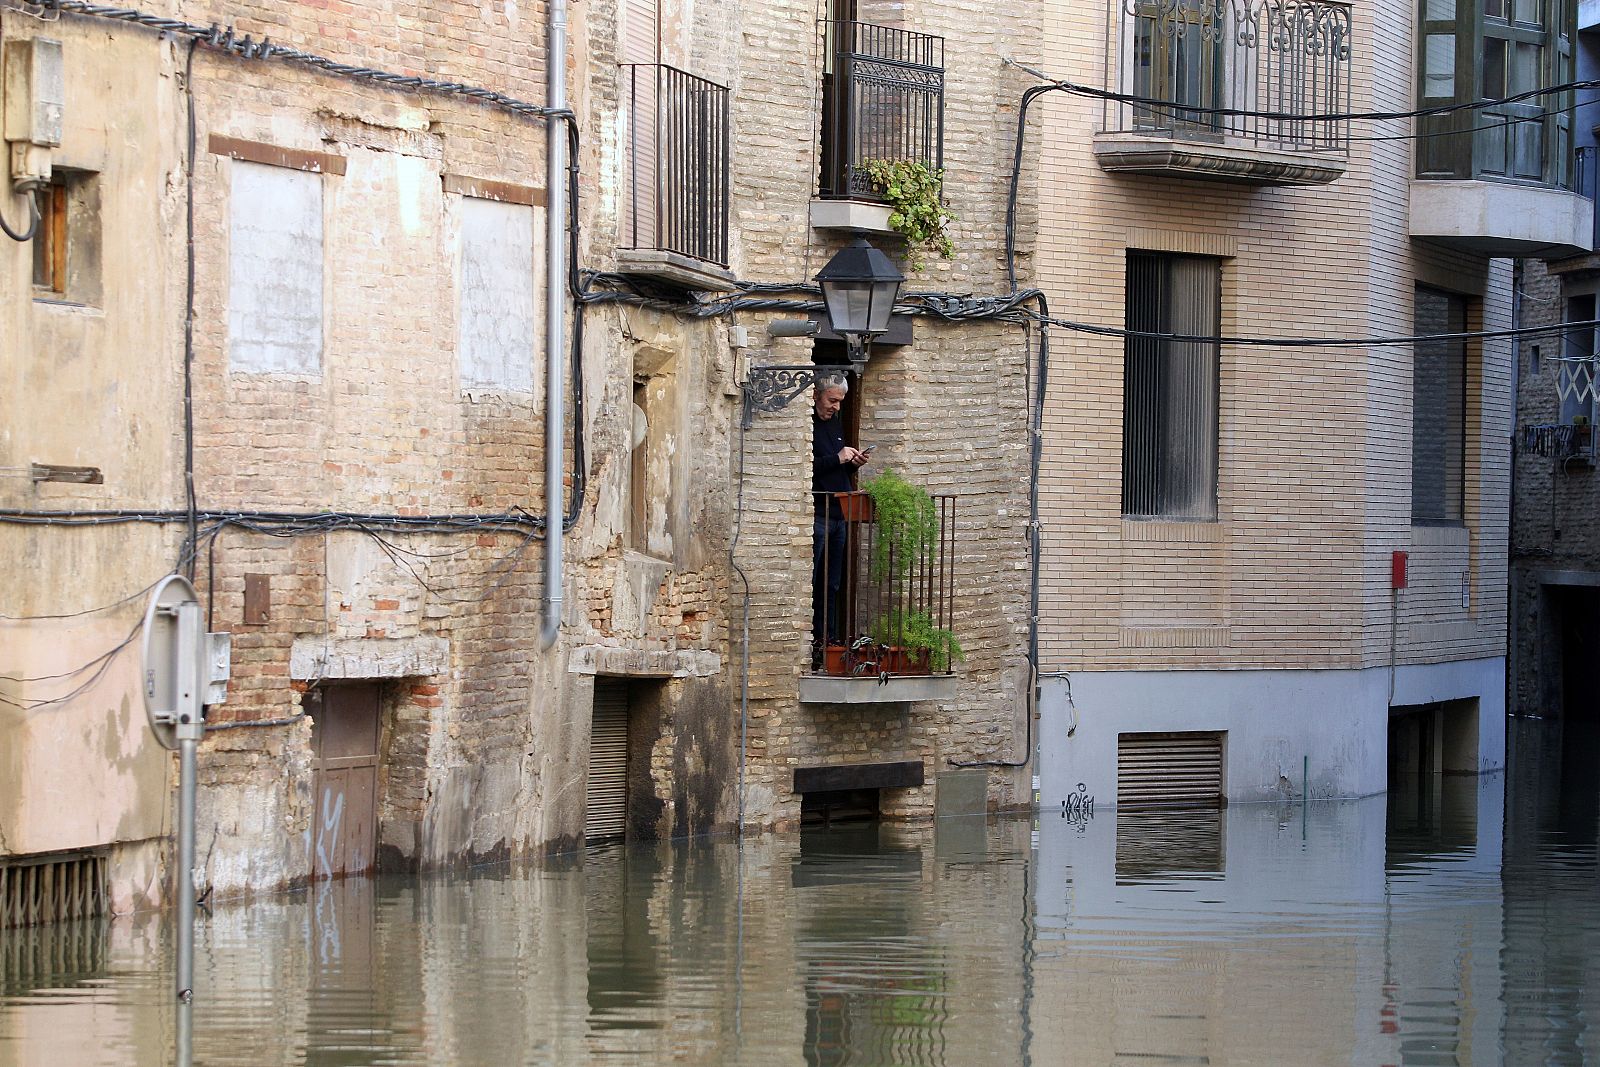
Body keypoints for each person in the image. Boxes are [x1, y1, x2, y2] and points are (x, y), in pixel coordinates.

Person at [812, 371, 868, 652]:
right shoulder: (806, 424)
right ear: (815, 395)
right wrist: (837, 458)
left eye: (839, 402)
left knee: (832, 583)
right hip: (817, 515)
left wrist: (853, 464)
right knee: (812, 580)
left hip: (839, 515)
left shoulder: (835, 424)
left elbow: (836, 469)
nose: (835, 407)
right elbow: (807, 468)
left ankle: (828, 639)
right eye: (831, 400)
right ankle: (811, 640)